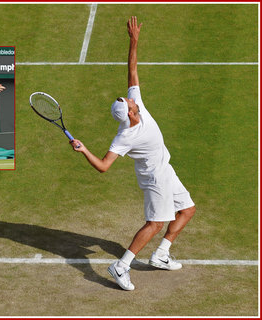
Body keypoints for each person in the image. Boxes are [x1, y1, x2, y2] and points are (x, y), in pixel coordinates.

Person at [70, 17, 196, 291]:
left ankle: (161, 255)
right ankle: (121, 266)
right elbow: (104, 166)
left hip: (166, 169)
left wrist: (134, 40)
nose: (130, 97)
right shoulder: (125, 135)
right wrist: (84, 150)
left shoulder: (135, 104)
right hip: (154, 179)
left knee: (187, 210)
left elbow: (132, 69)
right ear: (129, 113)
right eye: (128, 101)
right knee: (155, 223)